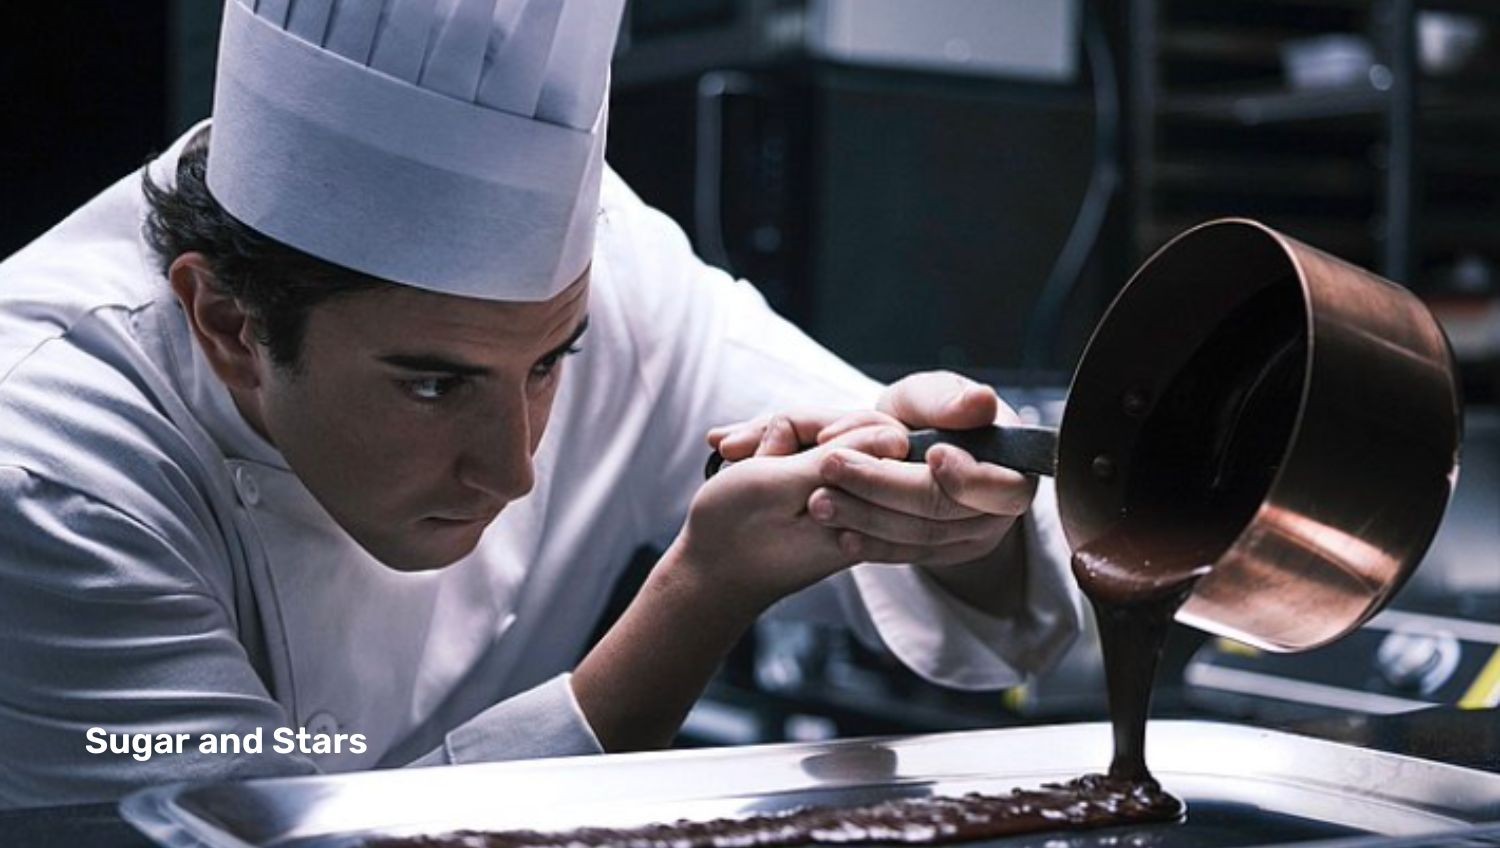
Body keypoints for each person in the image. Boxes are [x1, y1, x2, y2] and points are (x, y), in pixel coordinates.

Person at [0, 0, 1080, 808]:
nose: (510, 470)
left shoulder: (609, 272)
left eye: (553, 360)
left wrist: (946, 517)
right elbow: (257, 833)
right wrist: (699, 595)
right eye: (433, 383)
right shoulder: (48, 464)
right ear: (231, 327)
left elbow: (985, 586)